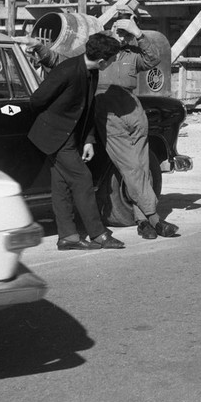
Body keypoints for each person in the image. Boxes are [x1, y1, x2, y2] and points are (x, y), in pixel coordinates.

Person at [27, 18, 179, 241]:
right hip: (109, 116)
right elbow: (60, 61)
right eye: (118, 28)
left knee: (142, 166)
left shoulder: (131, 53)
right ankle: (153, 217)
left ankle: (142, 221)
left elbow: (154, 59)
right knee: (131, 167)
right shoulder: (96, 51)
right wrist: (40, 48)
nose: (121, 33)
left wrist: (138, 33)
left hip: (134, 112)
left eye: (124, 30)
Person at [27, 31, 124, 251]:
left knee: (61, 186)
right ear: (102, 61)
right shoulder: (66, 71)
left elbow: (87, 108)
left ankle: (68, 237)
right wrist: (54, 122)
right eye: (111, 60)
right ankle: (98, 234)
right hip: (54, 137)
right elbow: (37, 100)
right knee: (82, 179)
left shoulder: (92, 72)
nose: (112, 63)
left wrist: (89, 140)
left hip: (70, 137)